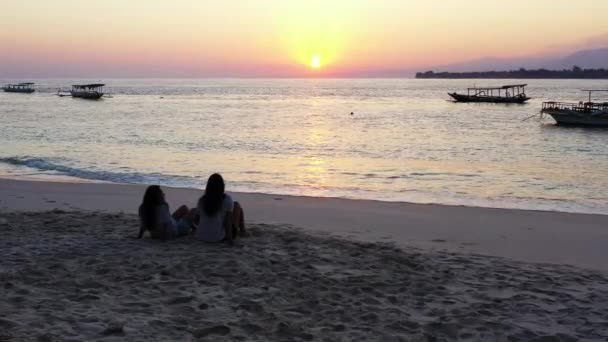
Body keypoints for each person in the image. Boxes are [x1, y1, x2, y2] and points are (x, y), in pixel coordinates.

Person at [196, 173, 247, 243]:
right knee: (237, 206)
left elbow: (199, 219)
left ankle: (243, 231)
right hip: (219, 238)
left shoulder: (201, 200)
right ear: (222, 186)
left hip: (201, 237)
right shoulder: (226, 199)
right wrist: (230, 240)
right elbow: (227, 222)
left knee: (230, 210)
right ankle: (243, 231)